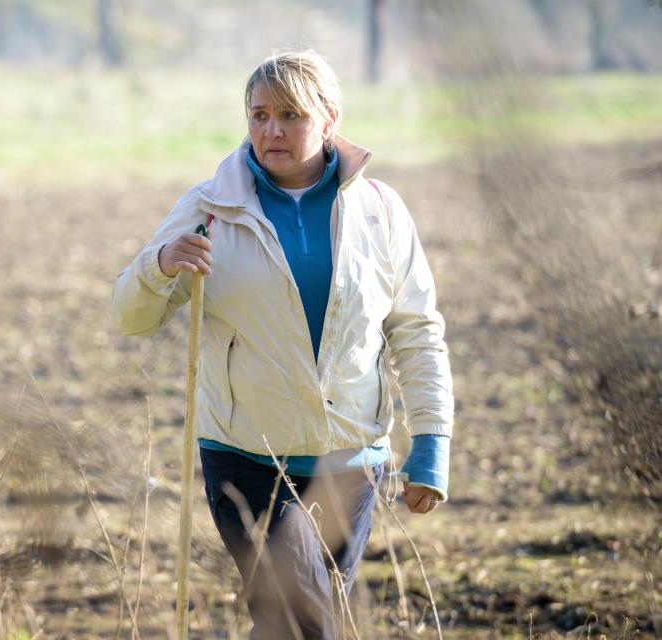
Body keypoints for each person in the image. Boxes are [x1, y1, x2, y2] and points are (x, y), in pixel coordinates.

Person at [109, 50, 453, 639]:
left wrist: (431, 442)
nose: (272, 130)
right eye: (259, 114)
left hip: (351, 460)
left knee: (294, 625)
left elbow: (417, 330)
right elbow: (130, 318)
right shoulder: (211, 208)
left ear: (329, 119)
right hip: (247, 457)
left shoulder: (380, 211)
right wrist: (160, 265)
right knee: (305, 624)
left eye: (291, 114)